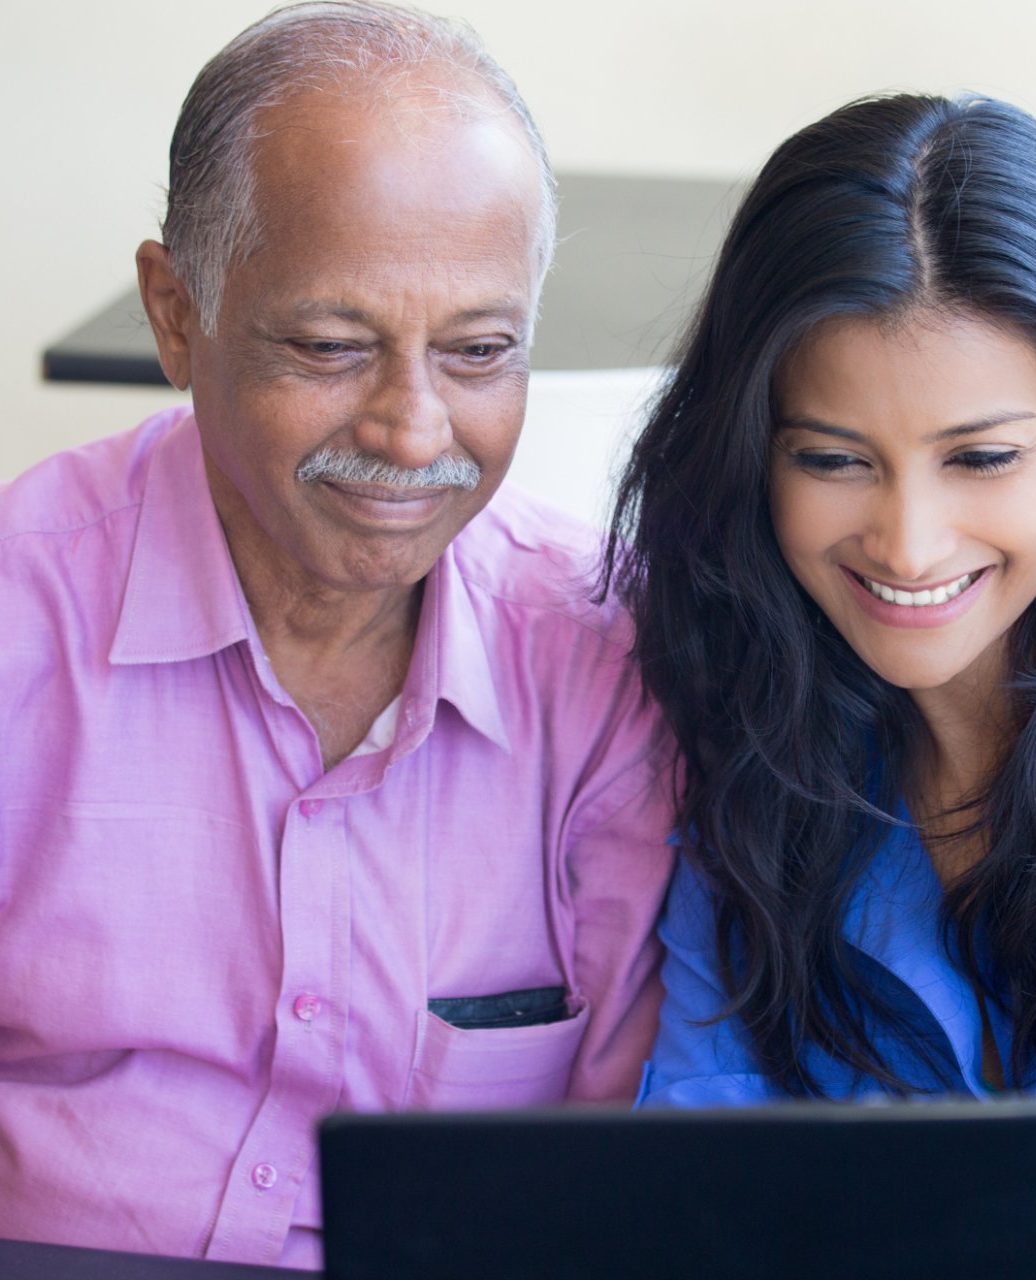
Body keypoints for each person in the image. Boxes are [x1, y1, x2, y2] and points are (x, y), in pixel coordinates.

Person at [0, 2, 672, 1268]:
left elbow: (631, 1169)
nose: (414, 431)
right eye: (329, 345)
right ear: (176, 313)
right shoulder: (17, 624)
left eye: (479, 351)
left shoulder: (611, 667)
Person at [607, 92, 1036, 1253]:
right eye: (831, 458)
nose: (910, 545)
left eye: (981, 456)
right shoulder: (743, 751)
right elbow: (703, 1208)